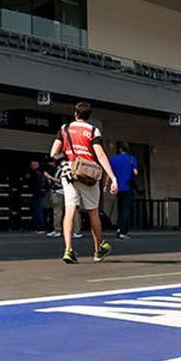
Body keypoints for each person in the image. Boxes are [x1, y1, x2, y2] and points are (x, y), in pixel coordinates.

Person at [50, 103, 120, 262]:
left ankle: (68, 250)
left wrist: (67, 162)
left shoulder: (64, 128)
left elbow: (53, 152)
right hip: (88, 174)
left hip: (69, 173)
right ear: (88, 116)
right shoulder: (93, 130)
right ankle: (97, 250)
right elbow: (100, 155)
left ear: (75, 113)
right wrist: (113, 178)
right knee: (93, 212)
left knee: (69, 211)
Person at [109, 141, 138, 241]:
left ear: (120, 149)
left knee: (120, 208)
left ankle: (119, 227)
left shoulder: (113, 159)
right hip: (128, 187)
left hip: (118, 188)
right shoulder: (131, 158)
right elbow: (135, 172)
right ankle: (123, 231)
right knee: (126, 209)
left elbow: (109, 172)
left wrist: (106, 186)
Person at [23, 158, 49, 233]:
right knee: (38, 209)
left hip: (38, 192)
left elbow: (40, 182)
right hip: (40, 192)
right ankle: (39, 226)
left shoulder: (38, 172)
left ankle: (40, 227)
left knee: (38, 210)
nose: (32, 166)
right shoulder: (40, 171)